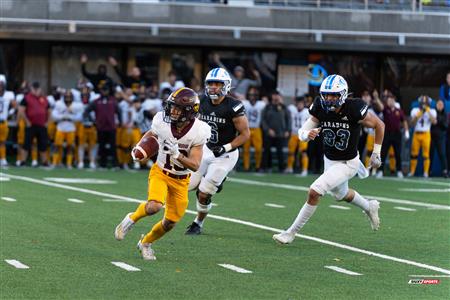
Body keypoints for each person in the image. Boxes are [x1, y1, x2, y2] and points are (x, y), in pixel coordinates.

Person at [273, 74, 385, 245]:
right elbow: (302, 132)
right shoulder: (319, 106)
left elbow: (379, 125)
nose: (329, 99)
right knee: (341, 194)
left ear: (343, 95)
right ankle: (369, 206)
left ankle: (290, 233)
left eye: (333, 95)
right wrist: (306, 135)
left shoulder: (354, 108)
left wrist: (376, 153)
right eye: (326, 95)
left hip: (348, 162)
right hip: (330, 160)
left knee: (314, 191)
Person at [114, 87, 211, 261]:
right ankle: (132, 218)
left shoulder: (199, 130)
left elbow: (196, 165)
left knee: (170, 222)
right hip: (161, 171)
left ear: (189, 111)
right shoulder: (161, 120)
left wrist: (177, 155)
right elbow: (152, 134)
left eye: (177, 108)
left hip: (182, 180)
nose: (171, 111)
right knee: (154, 206)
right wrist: (141, 147)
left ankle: (145, 242)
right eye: (171, 106)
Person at [185, 67, 250, 235]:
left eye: (217, 84)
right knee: (188, 185)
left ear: (226, 85)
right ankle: (214, 180)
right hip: (206, 149)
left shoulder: (233, 106)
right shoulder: (201, 102)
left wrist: (226, 147)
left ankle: (198, 222)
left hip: (226, 154)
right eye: (211, 83)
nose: (213, 87)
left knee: (204, 193)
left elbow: (245, 135)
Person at [83, 82, 122, 168]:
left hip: (111, 127)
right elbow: (86, 111)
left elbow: (119, 111)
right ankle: (102, 164)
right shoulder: (96, 101)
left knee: (113, 146)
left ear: (108, 91)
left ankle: (115, 164)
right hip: (100, 127)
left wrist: (120, 122)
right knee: (101, 146)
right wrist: (93, 121)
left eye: (106, 90)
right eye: (103, 90)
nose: (104, 92)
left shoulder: (113, 100)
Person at [374, 93, 409, 178]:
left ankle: (399, 171)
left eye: (392, 100)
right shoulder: (386, 109)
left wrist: (406, 131)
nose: (391, 101)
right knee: (383, 153)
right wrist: (377, 98)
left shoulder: (398, 110)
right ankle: (380, 171)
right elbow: (380, 107)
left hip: (397, 134)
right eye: (389, 100)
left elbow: (404, 120)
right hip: (387, 134)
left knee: (398, 153)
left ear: (394, 101)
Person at [17, 82, 51, 166]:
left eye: (37, 88)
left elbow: (49, 111)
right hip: (31, 125)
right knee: (26, 143)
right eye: (34, 88)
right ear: (31, 89)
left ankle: (44, 162)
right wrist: (27, 121)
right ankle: (23, 161)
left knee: (43, 144)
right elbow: (21, 110)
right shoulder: (26, 98)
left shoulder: (44, 99)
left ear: (40, 89)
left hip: (42, 125)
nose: (36, 90)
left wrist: (47, 122)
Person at [51, 90, 83, 168]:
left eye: (69, 97)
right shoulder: (59, 104)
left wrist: (70, 115)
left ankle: (69, 163)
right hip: (61, 126)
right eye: (66, 96)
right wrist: (62, 116)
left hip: (71, 126)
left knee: (70, 146)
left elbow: (79, 117)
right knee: (57, 145)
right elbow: (54, 115)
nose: (68, 98)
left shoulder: (76, 105)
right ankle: (55, 162)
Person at [261, 90, 291, 172]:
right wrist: (268, 130)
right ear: (272, 96)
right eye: (274, 95)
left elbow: (288, 119)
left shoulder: (284, 107)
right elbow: (263, 120)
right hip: (269, 133)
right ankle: (265, 168)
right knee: (266, 151)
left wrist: (288, 130)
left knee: (280, 152)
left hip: (281, 133)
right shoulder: (267, 107)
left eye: (277, 95)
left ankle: (282, 169)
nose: (276, 97)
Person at [408, 95, 437, 177]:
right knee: (414, 154)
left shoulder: (432, 111)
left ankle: (425, 172)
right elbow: (412, 123)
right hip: (416, 133)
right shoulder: (415, 110)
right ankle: (412, 171)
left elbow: (434, 122)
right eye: (422, 102)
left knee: (426, 155)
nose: (424, 104)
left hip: (426, 134)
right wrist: (419, 113)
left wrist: (427, 111)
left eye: (425, 102)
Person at [242, 87, 266, 172]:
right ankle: (246, 167)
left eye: (254, 95)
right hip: (247, 128)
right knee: (246, 149)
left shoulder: (261, 104)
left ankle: (257, 166)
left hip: (257, 129)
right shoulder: (245, 103)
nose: (252, 97)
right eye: (251, 95)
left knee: (258, 149)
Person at [285, 96, 310, 176]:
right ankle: (289, 167)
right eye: (298, 103)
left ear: (304, 104)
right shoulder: (292, 109)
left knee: (303, 152)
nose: (299, 105)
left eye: (301, 103)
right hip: (293, 134)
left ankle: (304, 169)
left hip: (303, 134)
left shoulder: (307, 111)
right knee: (291, 152)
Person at [430, 99, 448, 177]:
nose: (440, 106)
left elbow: (445, 125)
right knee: (430, 154)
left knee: (442, 154)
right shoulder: (433, 112)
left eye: (441, 104)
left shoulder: (445, 114)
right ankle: (428, 171)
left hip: (441, 138)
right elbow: (431, 122)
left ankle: (445, 171)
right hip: (431, 137)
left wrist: (438, 121)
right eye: (438, 104)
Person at [0, 75, 15, 166]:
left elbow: (15, 106)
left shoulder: (9, 94)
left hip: (3, 121)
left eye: (1, 84)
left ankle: (3, 159)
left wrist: (10, 113)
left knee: (2, 141)